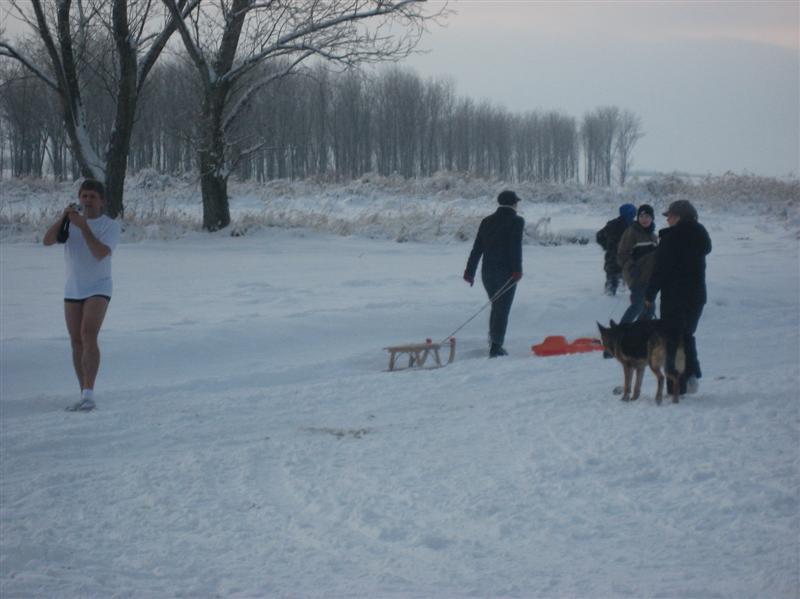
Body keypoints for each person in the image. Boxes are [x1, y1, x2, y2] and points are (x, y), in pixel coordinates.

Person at [43, 179, 121, 412]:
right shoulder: (71, 222)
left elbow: (100, 253)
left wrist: (84, 227)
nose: (87, 201)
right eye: (84, 196)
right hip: (73, 288)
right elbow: (47, 241)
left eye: (92, 197)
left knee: (88, 333)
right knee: (76, 340)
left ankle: (89, 393)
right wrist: (63, 218)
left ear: (102, 201)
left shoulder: (110, 226)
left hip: (99, 287)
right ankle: (83, 393)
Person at [644, 199, 711, 395]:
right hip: (697, 297)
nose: (668, 220)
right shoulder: (700, 235)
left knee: (672, 340)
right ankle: (690, 376)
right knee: (686, 335)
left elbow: (660, 270)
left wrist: (650, 294)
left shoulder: (672, 238)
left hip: (675, 298)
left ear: (680, 217)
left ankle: (676, 387)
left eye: (670, 216)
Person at [463, 190, 524, 357]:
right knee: (502, 308)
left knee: (497, 306)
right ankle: (496, 347)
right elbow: (515, 247)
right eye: (516, 202)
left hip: (487, 273)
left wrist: (470, 272)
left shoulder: (487, 221)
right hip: (507, 273)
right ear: (513, 203)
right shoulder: (517, 221)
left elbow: (477, 248)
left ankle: (494, 341)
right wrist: (517, 270)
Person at [616, 204, 658, 323]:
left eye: (647, 216)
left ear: (652, 218)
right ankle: (621, 331)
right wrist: (631, 267)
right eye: (641, 216)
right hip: (635, 276)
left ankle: (640, 331)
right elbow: (622, 254)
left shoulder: (654, 237)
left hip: (649, 278)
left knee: (650, 309)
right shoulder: (632, 232)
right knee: (638, 305)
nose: (644, 219)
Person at [596, 203, 637, 295]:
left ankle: (612, 297)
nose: (633, 215)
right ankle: (610, 298)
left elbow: (599, 236)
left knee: (618, 284)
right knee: (614, 284)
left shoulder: (633, 225)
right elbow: (599, 236)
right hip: (616, 259)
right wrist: (607, 247)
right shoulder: (615, 225)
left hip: (622, 259)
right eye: (632, 213)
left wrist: (606, 247)